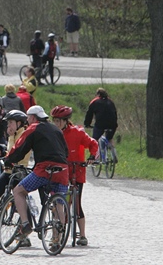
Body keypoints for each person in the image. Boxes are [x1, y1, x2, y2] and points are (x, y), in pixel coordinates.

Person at [3, 105, 69, 241]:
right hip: (62, 170)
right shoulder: (57, 129)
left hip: (44, 168)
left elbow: (20, 147)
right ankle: (58, 238)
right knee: (58, 203)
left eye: (28, 118)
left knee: (18, 192)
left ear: (32, 117)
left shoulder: (34, 128)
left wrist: (9, 160)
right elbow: (66, 152)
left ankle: (26, 224)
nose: (27, 121)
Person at [50, 105, 98, 246]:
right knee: (57, 204)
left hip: (76, 171)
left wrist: (92, 156)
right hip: (60, 173)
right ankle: (56, 235)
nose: (57, 124)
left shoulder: (78, 133)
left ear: (66, 121)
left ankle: (82, 235)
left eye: (59, 121)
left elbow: (92, 144)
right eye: (55, 121)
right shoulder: (53, 133)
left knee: (76, 204)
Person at [0, 109, 32, 247]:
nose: (8, 126)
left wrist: (8, 157)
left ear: (19, 123)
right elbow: (11, 152)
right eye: (8, 123)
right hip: (8, 171)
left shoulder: (24, 134)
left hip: (19, 172)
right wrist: (3, 152)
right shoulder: (12, 134)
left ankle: (24, 234)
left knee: (20, 201)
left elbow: (21, 153)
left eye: (10, 123)